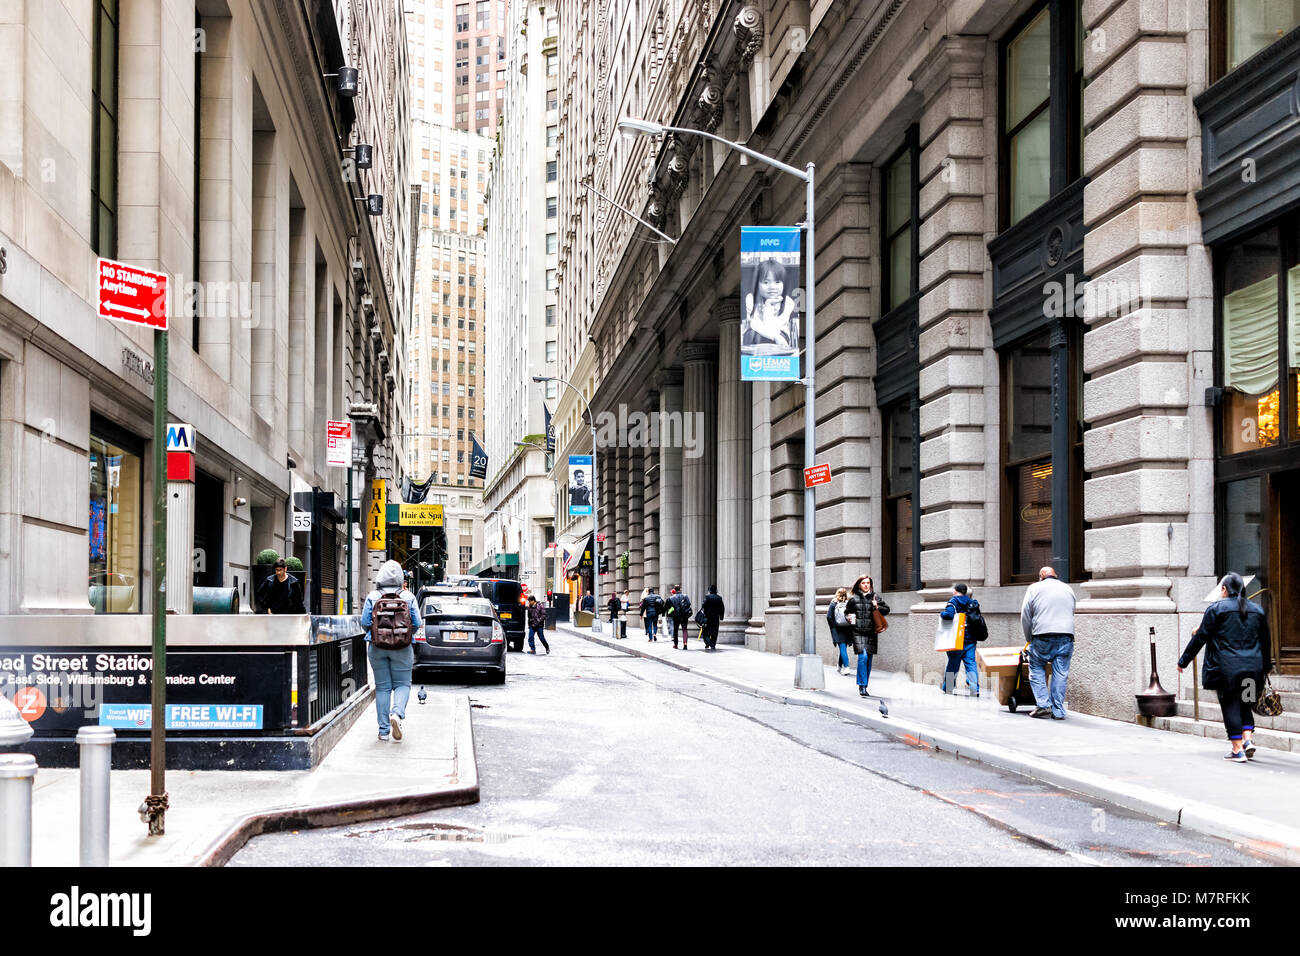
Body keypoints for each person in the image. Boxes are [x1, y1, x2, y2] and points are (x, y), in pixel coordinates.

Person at [1178, 572, 1271, 762]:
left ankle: (1237, 750)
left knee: (1230, 705)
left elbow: (1201, 637)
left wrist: (1183, 661)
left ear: (1224, 589)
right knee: (1246, 703)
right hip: (1252, 669)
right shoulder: (1257, 610)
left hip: (1226, 670)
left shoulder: (1217, 609)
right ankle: (1248, 740)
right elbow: (1266, 642)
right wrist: (1266, 667)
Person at [360, 560, 423, 742]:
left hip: (377, 647)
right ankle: (397, 714)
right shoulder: (408, 597)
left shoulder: (373, 596)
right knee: (403, 684)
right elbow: (417, 624)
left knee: (383, 687)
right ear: (400, 578)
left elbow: (365, 623)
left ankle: (383, 731)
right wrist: (403, 636)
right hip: (403, 648)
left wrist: (379, 634)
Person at [1020, 565, 1076, 719]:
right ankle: (1058, 710)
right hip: (1066, 636)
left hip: (1042, 635)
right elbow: (1071, 612)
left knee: (1036, 668)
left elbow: (1026, 615)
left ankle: (1043, 705)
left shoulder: (1034, 588)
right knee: (1060, 673)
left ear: (1041, 576)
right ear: (1055, 575)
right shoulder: (1068, 589)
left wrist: (1028, 638)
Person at [846, 575, 889, 697]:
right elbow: (846, 613)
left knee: (869, 660)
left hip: (871, 633)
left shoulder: (875, 597)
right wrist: (849, 618)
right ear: (859, 585)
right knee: (863, 658)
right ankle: (862, 686)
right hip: (858, 633)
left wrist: (877, 606)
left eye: (868, 583)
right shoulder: (854, 599)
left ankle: (865, 685)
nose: (866, 585)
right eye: (863, 583)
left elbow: (887, 610)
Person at [742, 260, 799, 349]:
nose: (772, 287)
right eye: (766, 282)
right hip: (758, 335)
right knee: (753, 334)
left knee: (770, 336)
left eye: (777, 282)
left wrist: (769, 307)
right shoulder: (751, 299)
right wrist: (768, 305)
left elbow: (773, 327)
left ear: (784, 283)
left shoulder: (788, 302)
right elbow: (755, 325)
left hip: (780, 335)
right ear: (757, 284)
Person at [939, 583, 979, 697]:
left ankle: (949, 687)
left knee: (953, 663)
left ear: (956, 591)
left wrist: (942, 613)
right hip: (970, 639)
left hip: (956, 638)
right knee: (971, 663)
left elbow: (948, 615)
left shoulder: (953, 602)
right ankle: (974, 688)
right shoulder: (972, 602)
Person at [826, 587, 854, 675]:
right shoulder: (849, 603)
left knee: (842, 648)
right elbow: (852, 616)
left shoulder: (833, 603)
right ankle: (839, 665)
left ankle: (846, 667)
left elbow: (829, 617)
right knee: (843, 648)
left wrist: (833, 626)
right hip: (847, 628)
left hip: (837, 629)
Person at [701, 585, 725, 651]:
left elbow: (703, 605)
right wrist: (721, 616)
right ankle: (713, 645)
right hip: (716, 617)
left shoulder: (707, 597)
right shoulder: (719, 598)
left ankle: (708, 643)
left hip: (708, 617)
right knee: (715, 631)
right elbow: (722, 608)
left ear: (710, 590)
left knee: (705, 631)